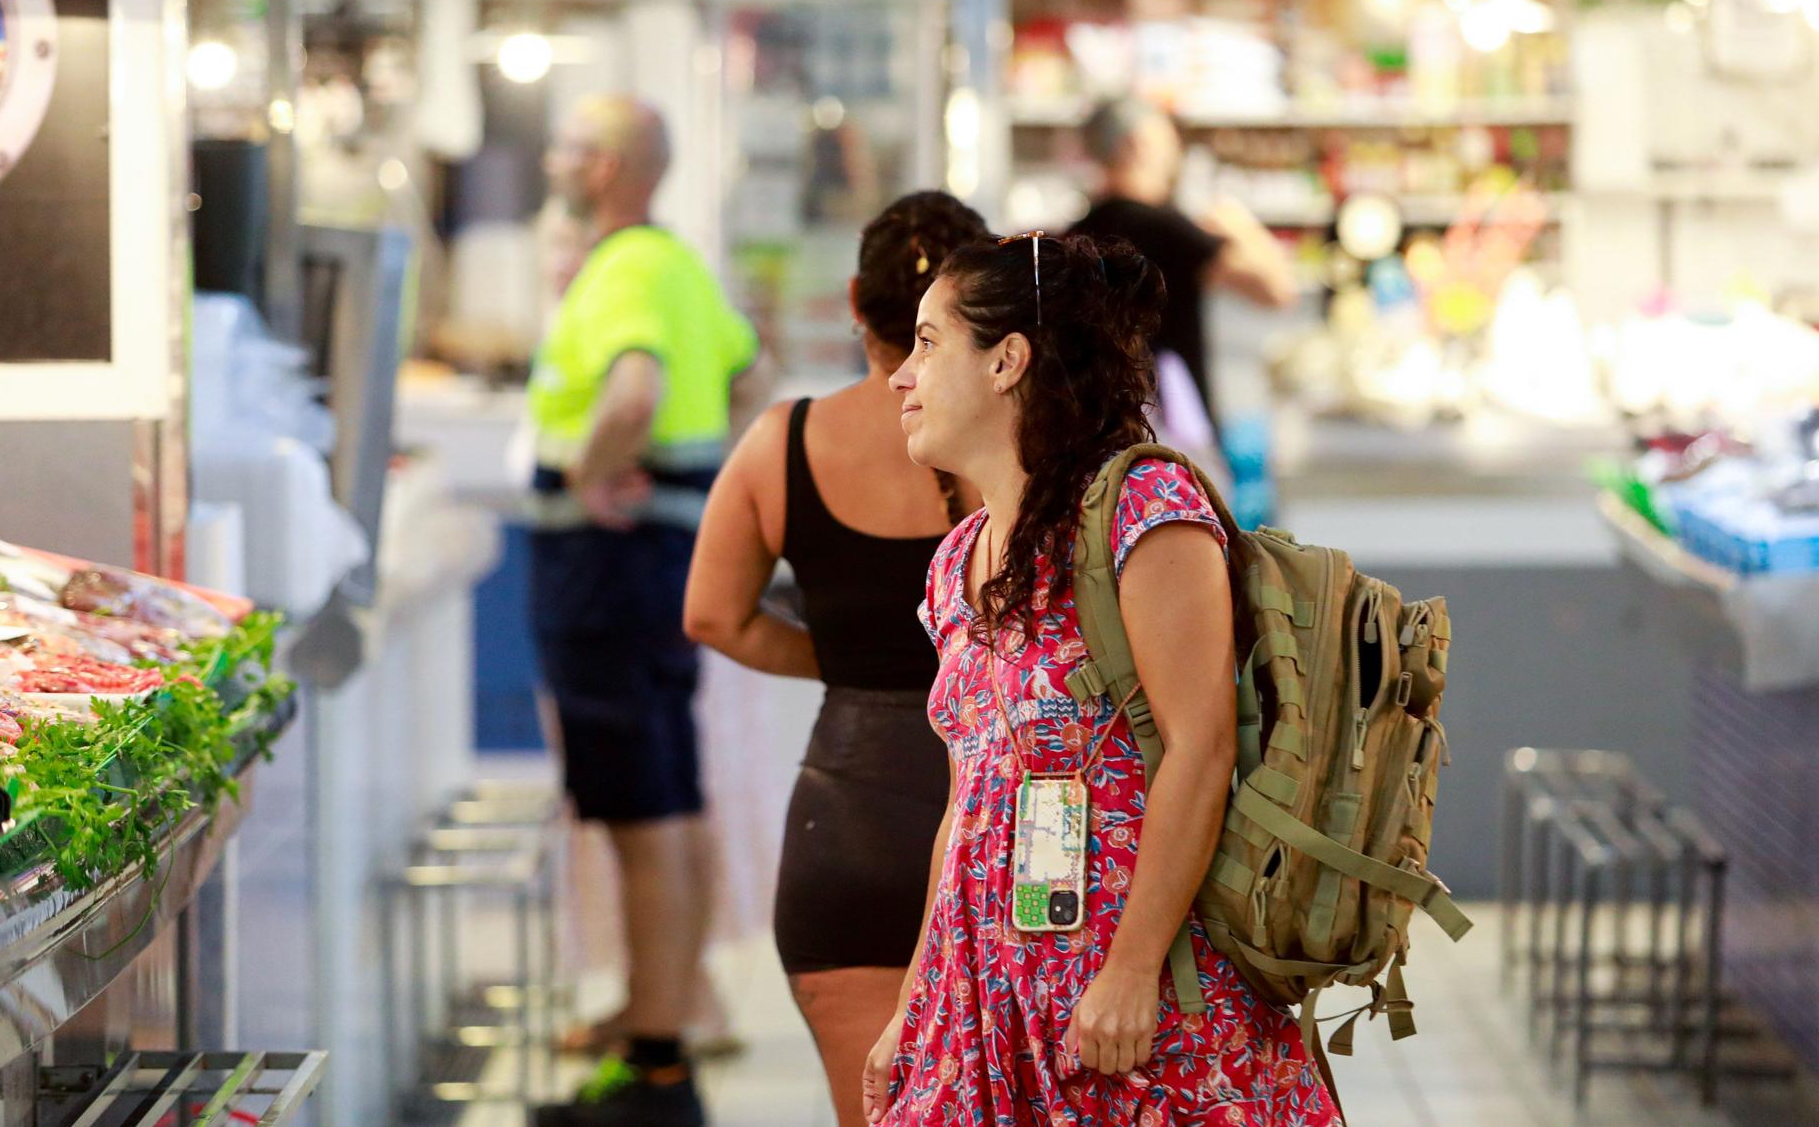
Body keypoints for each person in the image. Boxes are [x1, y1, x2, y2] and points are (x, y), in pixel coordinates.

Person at [862, 232, 1340, 1126]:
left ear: (1007, 360)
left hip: (1128, 1005)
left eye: (929, 343)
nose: (901, 373)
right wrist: (914, 999)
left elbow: (1197, 749)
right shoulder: (958, 560)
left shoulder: (1146, 512)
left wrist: (1132, 965)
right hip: (988, 1006)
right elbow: (966, 798)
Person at [683, 192, 990, 1127]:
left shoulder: (785, 441)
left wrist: (849, 661)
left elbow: (712, 615)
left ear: (856, 299)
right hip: (997, 810)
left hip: (848, 816)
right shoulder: (1009, 441)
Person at [527, 94, 771, 1127]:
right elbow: (751, 371)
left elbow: (630, 394)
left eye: (571, 144)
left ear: (610, 165)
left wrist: (593, 475)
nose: (554, 159)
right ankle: (654, 1016)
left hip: (610, 562)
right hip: (651, 557)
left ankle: (659, 1059)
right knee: (659, 788)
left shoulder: (626, 267)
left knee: (640, 806)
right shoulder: (670, 264)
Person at [1073, 99, 1299, 422]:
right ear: (1140, 144)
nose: (1177, 151)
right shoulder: (1165, 228)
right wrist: (1240, 225)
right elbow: (1277, 290)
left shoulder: (1082, 230)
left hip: (1105, 421)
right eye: (1169, 139)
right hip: (1170, 427)